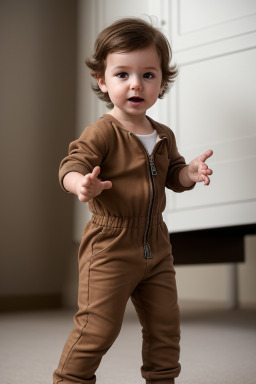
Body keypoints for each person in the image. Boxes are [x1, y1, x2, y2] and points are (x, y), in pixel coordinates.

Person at [53, 17, 213, 384]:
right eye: (122, 74)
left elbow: (173, 174)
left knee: (165, 326)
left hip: (156, 244)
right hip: (109, 246)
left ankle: (162, 379)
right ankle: (70, 380)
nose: (136, 84)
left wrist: (189, 173)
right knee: (97, 328)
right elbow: (71, 165)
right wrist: (80, 184)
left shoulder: (162, 134)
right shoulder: (102, 132)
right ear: (102, 81)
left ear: (162, 81)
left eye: (148, 75)